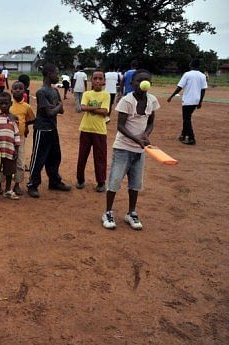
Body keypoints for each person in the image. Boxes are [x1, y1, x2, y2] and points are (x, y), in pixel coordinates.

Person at [102, 69, 160, 231]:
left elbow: (150, 122)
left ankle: (131, 213)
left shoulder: (152, 100)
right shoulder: (127, 101)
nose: (142, 83)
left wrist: (146, 135)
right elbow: (120, 126)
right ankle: (107, 212)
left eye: (146, 80)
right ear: (132, 83)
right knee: (114, 181)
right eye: (138, 80)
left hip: (139, 151)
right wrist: (137, 140)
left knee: (135, 183)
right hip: (123, 148)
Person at [27, 63, 72, 198]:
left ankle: (54, 181)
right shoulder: (41, 92)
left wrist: (57, 107)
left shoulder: (55, 91)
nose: (58, 76)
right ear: (48, 74)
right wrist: (58, 106)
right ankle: (32, 184)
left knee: (55, 157)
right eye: (56, 73)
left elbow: (61, 110)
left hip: (52, 128)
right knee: (38, 158)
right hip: (42, 129)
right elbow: (50, 112)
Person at [76, 71, 110, 193]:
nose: (97, 81)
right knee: (82, 156)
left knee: (100, 157)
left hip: (100, 131)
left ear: (104, 81)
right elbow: (82, 107)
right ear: (91, 80)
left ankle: (101, 182)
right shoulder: (87, 93)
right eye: (95, 78)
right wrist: (97, 108)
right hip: (85, 129)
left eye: (100, 78)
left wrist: (89, 108)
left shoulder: (106, 95)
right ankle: (80, 180)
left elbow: (105, 111)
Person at [167, 59, 207, 145]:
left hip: (188, 100)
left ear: (191, 65)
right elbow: (203, 90)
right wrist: (200, 102)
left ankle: (191, 138)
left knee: (186, 119)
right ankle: (183, 135)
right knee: (187, 118)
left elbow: (179, 87)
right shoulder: (202, 75)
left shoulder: (187, 74)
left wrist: (171, 96)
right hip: (196, 99)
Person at [0, 92, 21, 199]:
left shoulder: (14, 119)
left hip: (9, 150)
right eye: (1, 103)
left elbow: (16, 135)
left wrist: (16, 150)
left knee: (9, 171)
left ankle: (8, 189)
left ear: (11, 103)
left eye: (6, 103)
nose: (3, 105)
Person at [10, 81, 35, 195]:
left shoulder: (27, 107)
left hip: (20, 138)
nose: (18, 90)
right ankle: (2, 184)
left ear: (24, 91)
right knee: (6, 160)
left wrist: (24, 126)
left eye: (20, 88)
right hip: (7, 138)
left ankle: (17, 184)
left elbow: (32, 119)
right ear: (11, 91)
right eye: (15, 88)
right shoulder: (7, 104)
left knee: (20, 161)